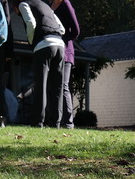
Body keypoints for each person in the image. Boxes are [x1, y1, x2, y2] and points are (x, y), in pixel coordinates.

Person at [14, 0, 65, 127]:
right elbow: (62, 28)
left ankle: (38, 122)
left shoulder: (23, 4)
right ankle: (56, 123)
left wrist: (32, 41)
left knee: (40, 85)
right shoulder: (45, 6)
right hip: (60, 45)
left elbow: (30, 22)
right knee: (57, 86)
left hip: (43, 45)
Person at [50, 0, 79, 129]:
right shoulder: (48, 5)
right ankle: (55, 120)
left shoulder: (65, 3)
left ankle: (68, 122)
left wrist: (64, 39)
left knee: (63, 85)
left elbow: (76, 30)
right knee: (53, 86)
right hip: (53, 50)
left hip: (65, 51)